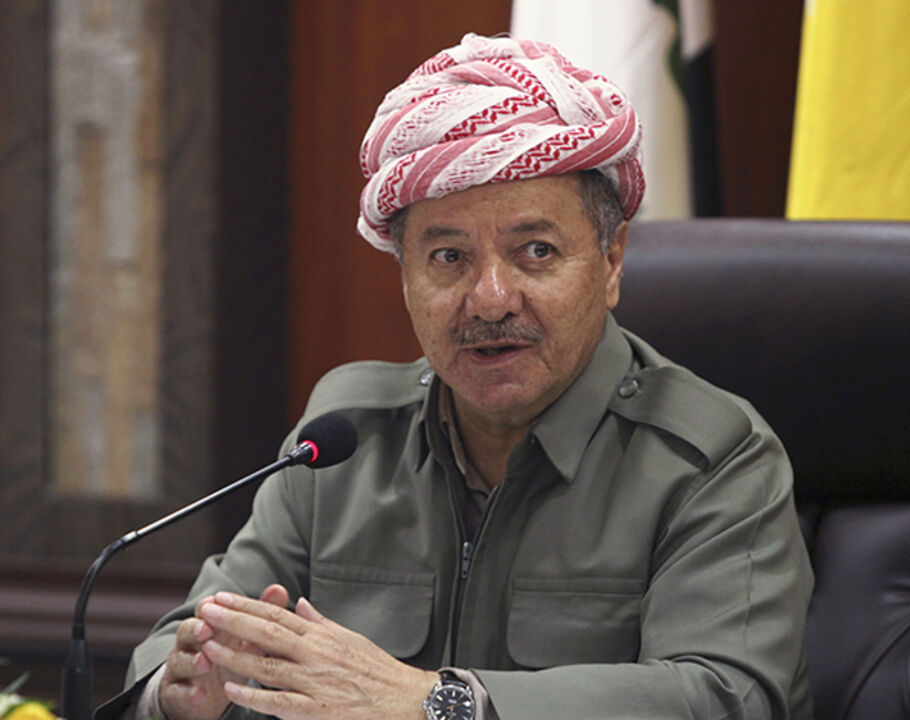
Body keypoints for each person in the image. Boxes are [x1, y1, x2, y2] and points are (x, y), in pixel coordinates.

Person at [95, 33, 813, 720]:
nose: (491, 298)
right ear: (403, 273)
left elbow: (726, 697)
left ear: (612, 260)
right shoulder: (344, 438)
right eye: (448, 258)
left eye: (535, 251)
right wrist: (178, 694)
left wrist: (439, 704)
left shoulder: (714, 456)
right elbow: (189, 639)